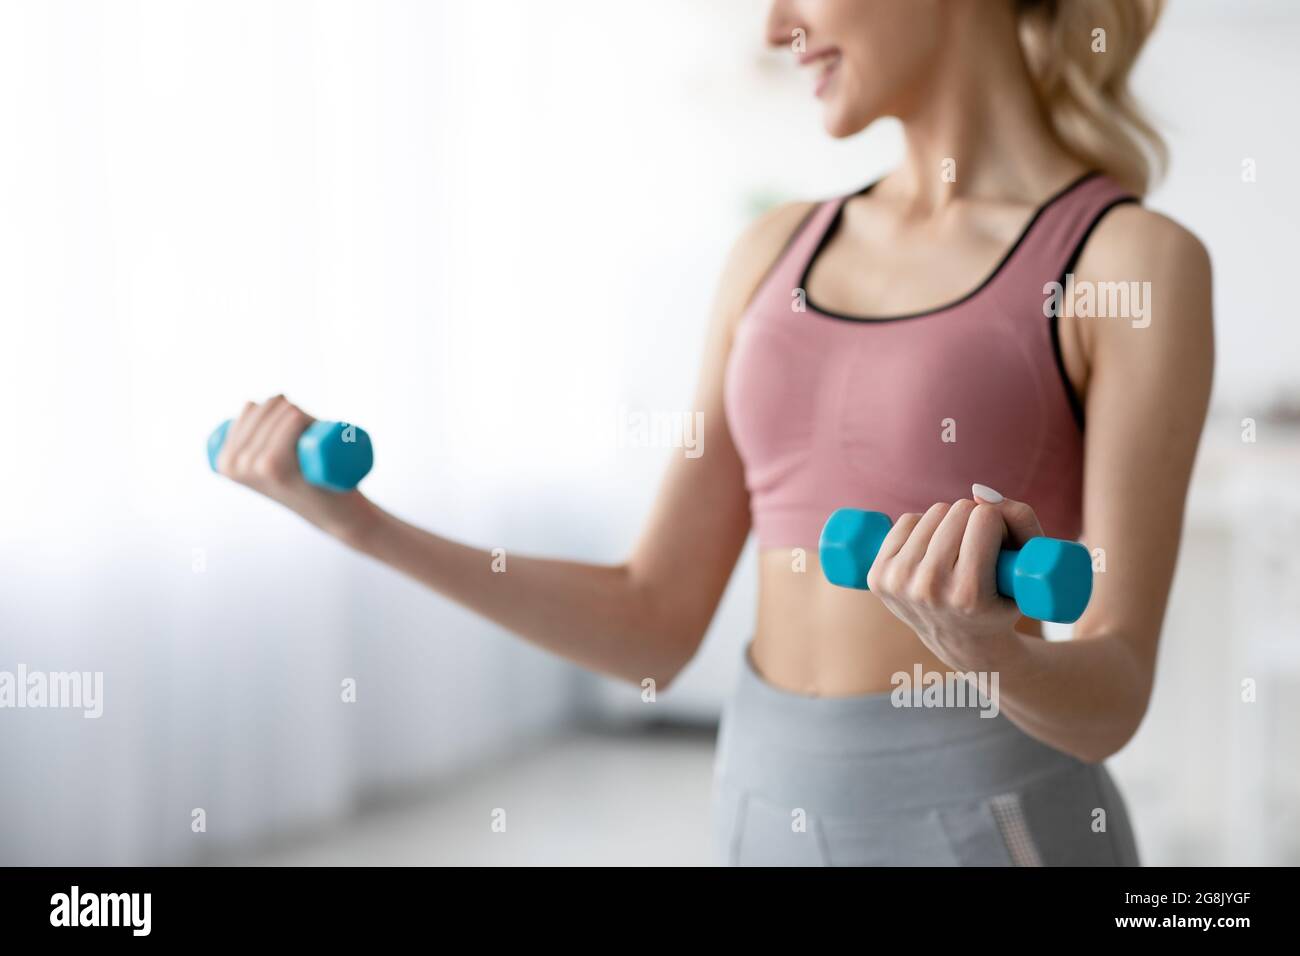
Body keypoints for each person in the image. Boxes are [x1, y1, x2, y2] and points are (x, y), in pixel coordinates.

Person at [213, 0, 1212, 866]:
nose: (777, 28)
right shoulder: (773, 249)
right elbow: (651, 617)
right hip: (758, 808)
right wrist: (361, 525)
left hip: (992, 823)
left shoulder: (1127, 262)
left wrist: (991, 655)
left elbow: (1113, 689)